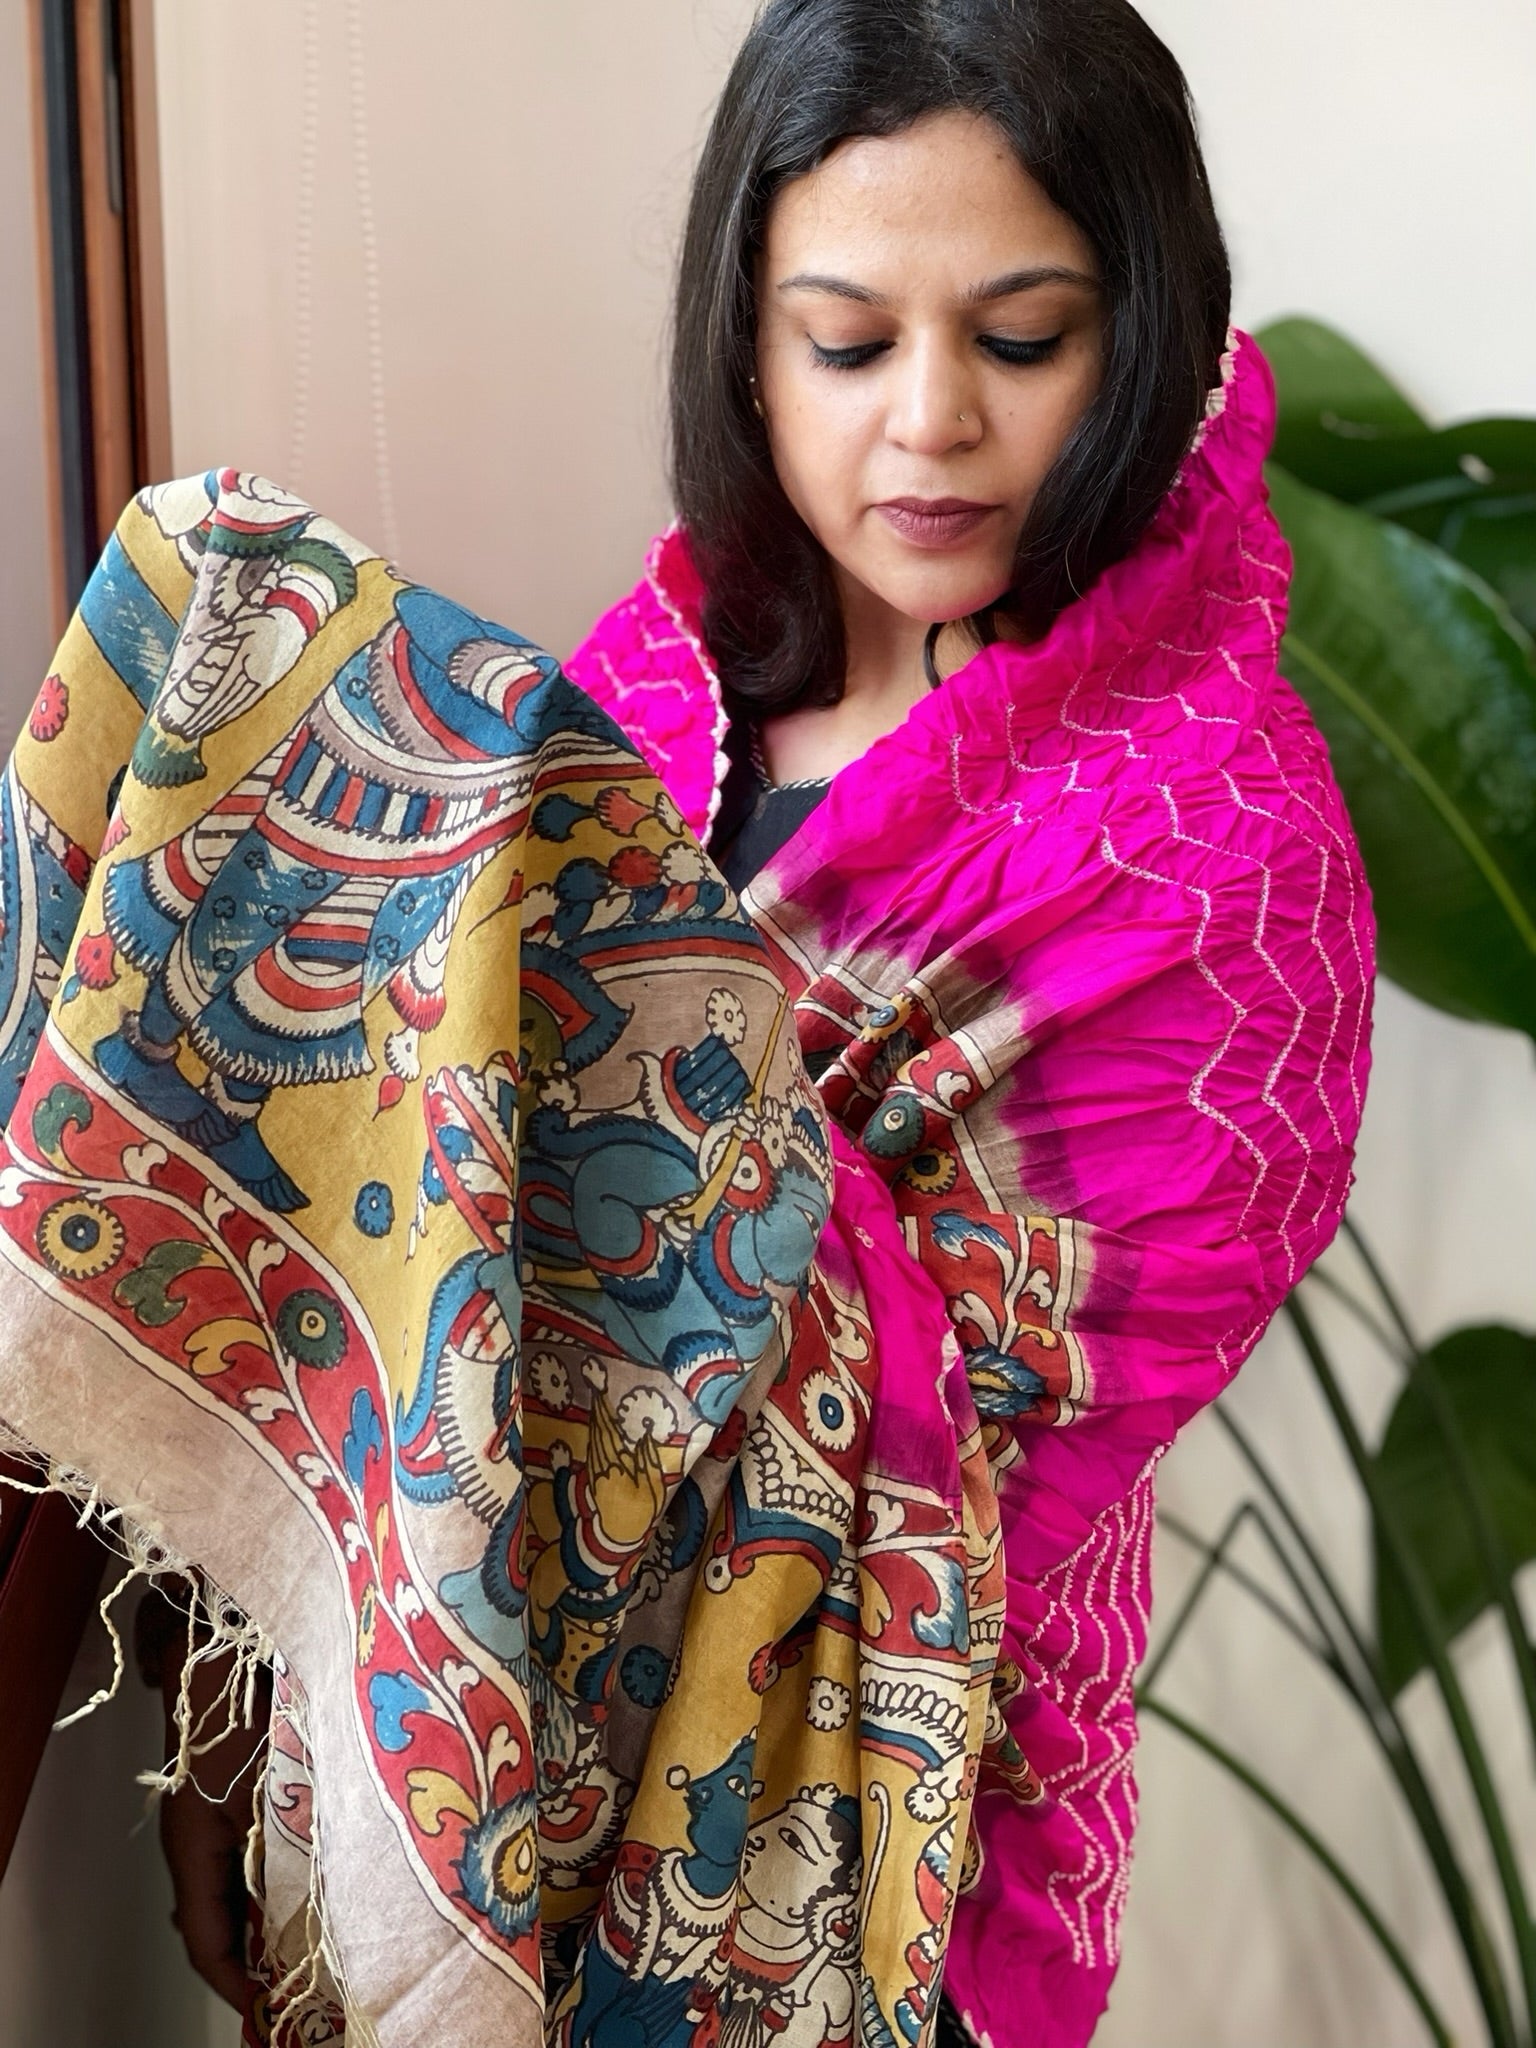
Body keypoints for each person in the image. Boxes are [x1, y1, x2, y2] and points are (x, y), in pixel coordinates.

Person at [144, 1, 1372, 2041]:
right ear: (746, 337)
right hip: (480, 1711)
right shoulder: (652, 681)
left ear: (1142, 326)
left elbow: (1003, 1391)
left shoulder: (1215, 842)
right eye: (849, 338)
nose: (930, 424)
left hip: (909, 1816)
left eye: (1022, 332)